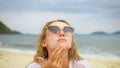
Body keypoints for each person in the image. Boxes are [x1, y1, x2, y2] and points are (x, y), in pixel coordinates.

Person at [26, 19, 91, 68]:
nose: (62, 33)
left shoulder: (83, 66)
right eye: (54, 29)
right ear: (44, 42)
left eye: (68, 30)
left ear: (71, 42)